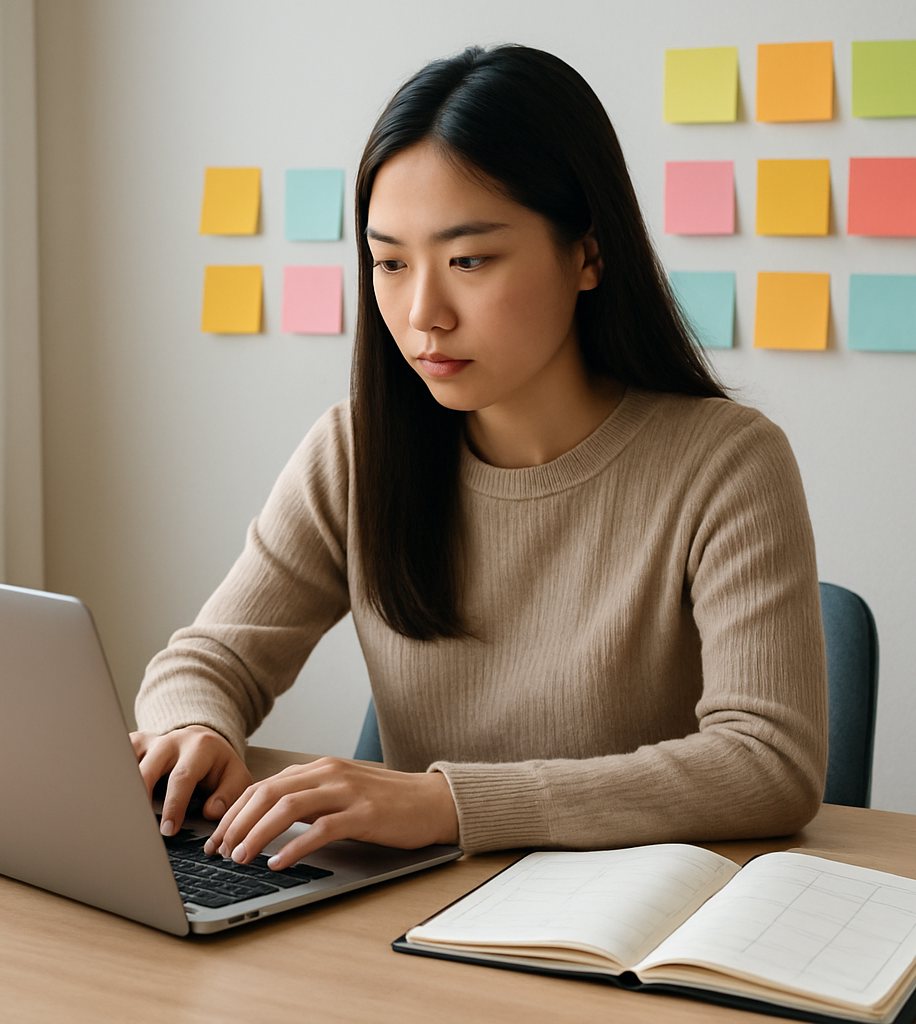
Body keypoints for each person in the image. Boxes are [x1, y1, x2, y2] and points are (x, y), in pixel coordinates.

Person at [132, 44, 827, 872]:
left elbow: (768, 765)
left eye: (468, 260)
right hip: (414, 921)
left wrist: (450, 803)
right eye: (390, 263)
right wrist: (192, 730)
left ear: (589, 253)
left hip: (633, 930)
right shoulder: (357, 450)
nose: (423, 313)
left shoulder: (726, 463)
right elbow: (210, 659)